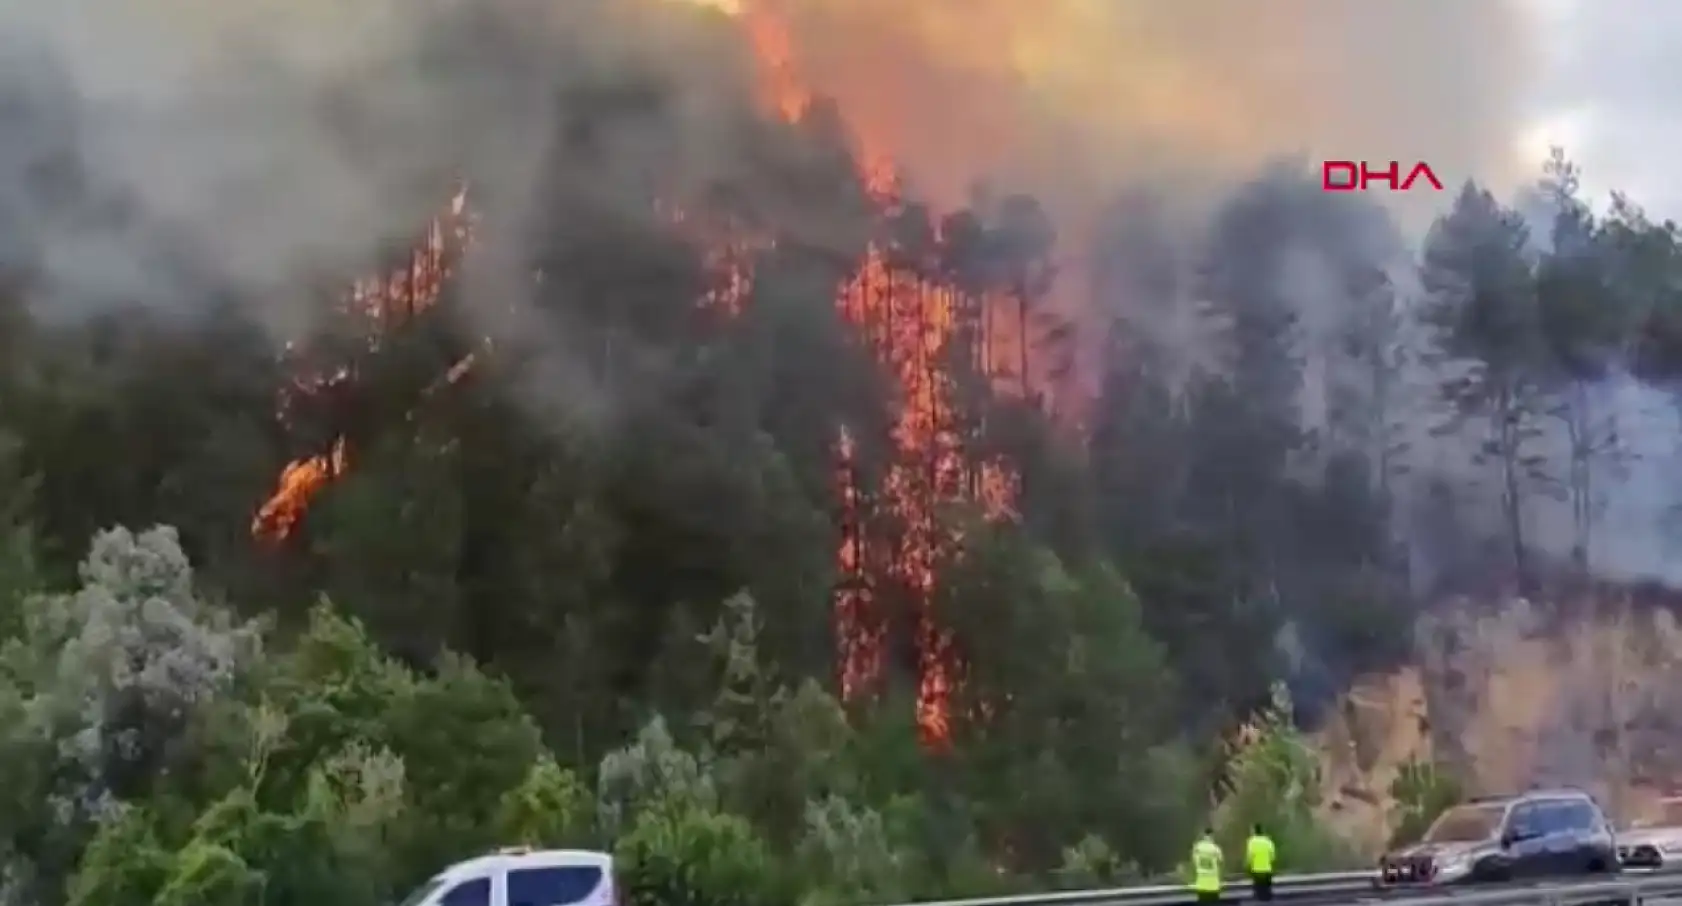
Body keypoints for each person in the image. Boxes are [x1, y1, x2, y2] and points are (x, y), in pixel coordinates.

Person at [1190, 827, 1223, 903]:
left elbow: (1194, 861)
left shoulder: (1197, 847)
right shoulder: (1216, 849)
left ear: (1204, 835)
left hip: (1201, 885)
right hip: (1213, 885)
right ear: (1212, 836)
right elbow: (1220, 861)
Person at [1245, 823, 1276, 901]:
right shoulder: (1268, 841)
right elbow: (1273, 857)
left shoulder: (1252, 841)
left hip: (1256, 870)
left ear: (1254, 831)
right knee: (1267, 890)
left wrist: (1248, 866)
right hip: (1267, 869)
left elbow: (1249, 856)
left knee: (1258, 891)